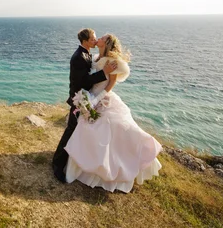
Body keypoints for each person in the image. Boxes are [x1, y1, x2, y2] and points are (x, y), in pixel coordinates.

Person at [64, 34, 162, 192]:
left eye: (101, 37)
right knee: (86, 130)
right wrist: (90, 98)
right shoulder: (96, 57)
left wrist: (98, 99)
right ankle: (86, 163)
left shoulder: (112, 61)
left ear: (107, 43)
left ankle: (125, 160)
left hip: (103, 98)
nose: (98, 39)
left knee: (112, 130)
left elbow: (112, 82)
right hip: (91, 96)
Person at [52, 28, 117, 182]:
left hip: (88, 97)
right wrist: (104, 73)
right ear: (86, 41)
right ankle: (57, 164)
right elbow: (83, 82)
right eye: (93, 38)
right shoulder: (78, 57)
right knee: (71, 131)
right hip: (79, 98)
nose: (95, 40)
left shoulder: (88, 54)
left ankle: (75, 161)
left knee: (79, 131)